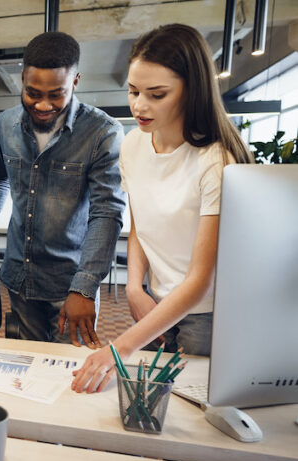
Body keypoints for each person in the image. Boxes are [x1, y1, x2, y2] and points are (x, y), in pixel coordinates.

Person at [71, 24, 253, 393]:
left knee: (191, 413)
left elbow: (201, 281)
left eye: (157, 94)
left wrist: (118, 349)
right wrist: (135, 288)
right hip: (156, 300)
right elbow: (142, 223)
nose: (139, 105)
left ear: (192, 90)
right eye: (134, 91)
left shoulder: (216, 161)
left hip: (206, 313)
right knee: (156, 401)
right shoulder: (133, 145)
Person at [0, 32, 126, 347]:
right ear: (22, 78)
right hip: (19, 278)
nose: (42, 104)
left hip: (69, 285)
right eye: (32, 92)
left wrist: (84, 288)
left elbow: (107, 212)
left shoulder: (103, 133)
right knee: (23, 370)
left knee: (69, 376)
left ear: (75, 82)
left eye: (56, 94)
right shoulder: (5, 124)